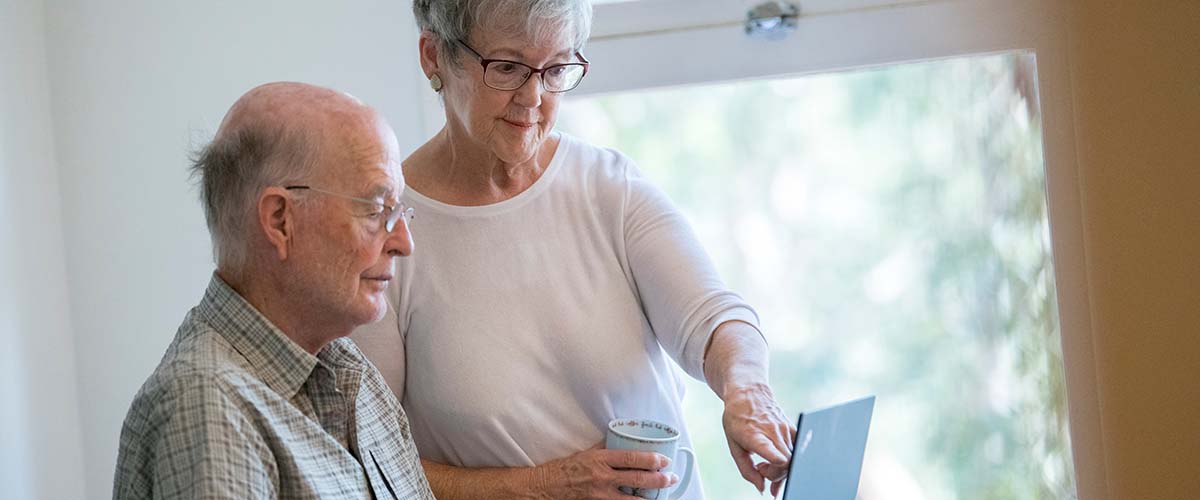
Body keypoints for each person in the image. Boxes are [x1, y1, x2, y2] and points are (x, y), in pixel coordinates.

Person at [351, 0, 797, 498]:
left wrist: (747, 390)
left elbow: (716, 320)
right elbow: (369, 462)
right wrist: (543, 486)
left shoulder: (608, 187)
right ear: (434, 56)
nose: (534, 98)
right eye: (507, 68)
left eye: (557, 68)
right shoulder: (386, 234)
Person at [112, 82, 435, 499]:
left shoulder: (345, 366)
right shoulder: (209, 407)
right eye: (376, 210)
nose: (403, 242)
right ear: (280, 220)